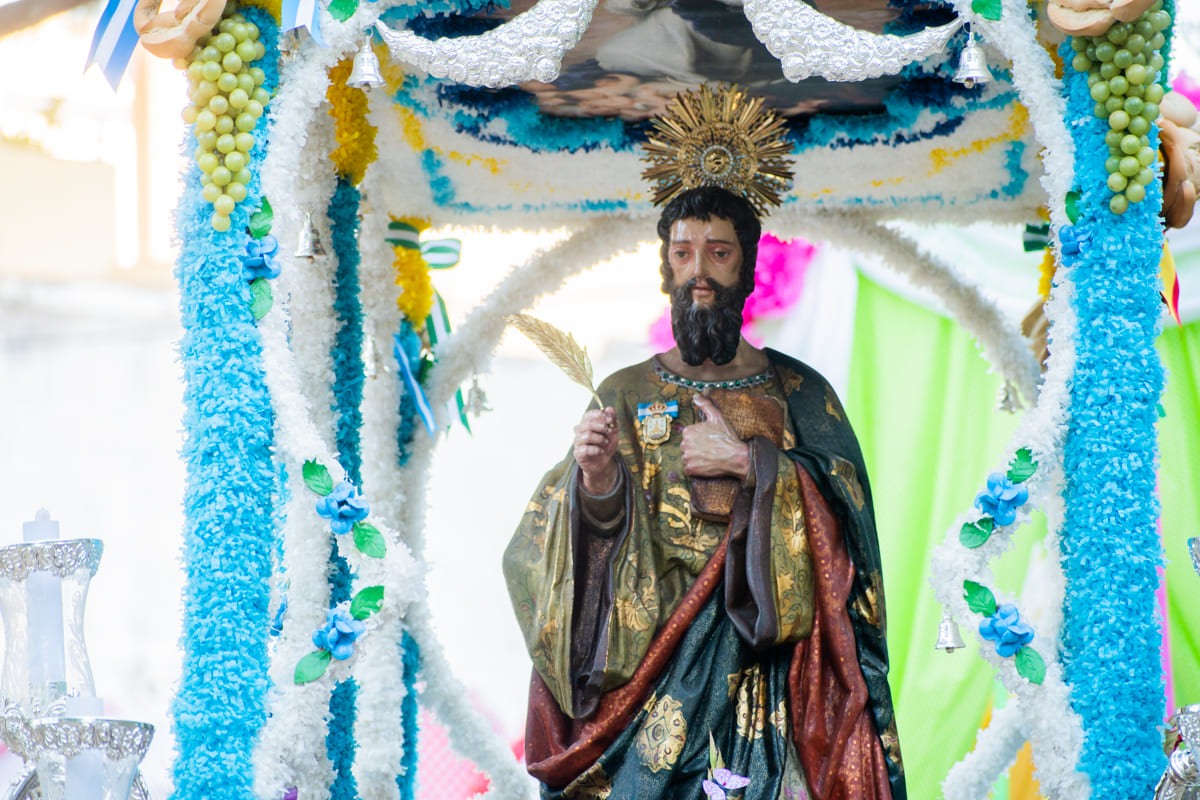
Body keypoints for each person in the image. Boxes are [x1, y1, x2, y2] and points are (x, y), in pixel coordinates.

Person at [502, 187, 903, 800]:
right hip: (647, 673)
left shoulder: (800, 390)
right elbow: (568, 552)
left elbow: (849, 521)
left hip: (767, 677)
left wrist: (749, 463)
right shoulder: (625, 392)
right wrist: (597, 482)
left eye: (718, 253)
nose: (699, 273)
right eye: (683, 253)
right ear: (665, 266)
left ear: (747, 264)